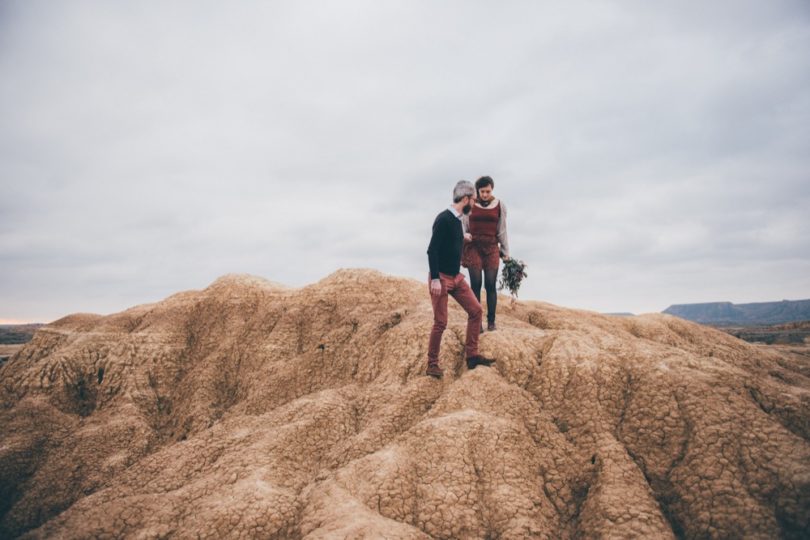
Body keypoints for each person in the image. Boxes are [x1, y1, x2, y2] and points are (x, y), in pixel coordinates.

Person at [425, 180, 496, 379]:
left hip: (456, 278)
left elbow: (452, 240)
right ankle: (432, 364)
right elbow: (432, 251)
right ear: (465, 199)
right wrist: (436, 279)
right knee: (441, 322)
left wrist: (462, 238)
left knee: (476, 310)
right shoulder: (444, 219)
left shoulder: (457, 221)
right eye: (473, 200)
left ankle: (472, 356)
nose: (474, 205)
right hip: (442, 278)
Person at [461, 176, 510, 332]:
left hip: (491, 247)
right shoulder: (470, 204)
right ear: (477, 191)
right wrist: (462, 243)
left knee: (490, 284)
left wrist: (505, 251)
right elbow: (464, 226)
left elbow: (502, 229)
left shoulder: (499, 205)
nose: (485, 194)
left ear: (492, 189)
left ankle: (491, 322)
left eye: (488, 191)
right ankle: (476, 322)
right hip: (473, 246)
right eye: (482, 191)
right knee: (475, 284)